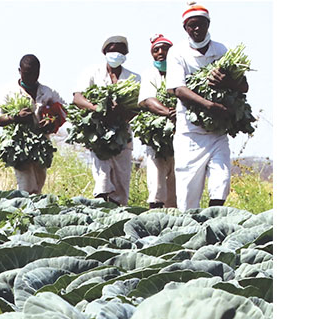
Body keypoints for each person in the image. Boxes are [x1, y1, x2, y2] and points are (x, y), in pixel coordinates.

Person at [166, 2, 249, 210]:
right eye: (191, 26)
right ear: (185, 28)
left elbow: (244, 86)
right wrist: (209, 105)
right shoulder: (177, 52)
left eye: (200, 24)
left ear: (208, 24)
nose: (196, 29)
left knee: (221, 179)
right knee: (187, 191)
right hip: (190, 132)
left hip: (217, 130)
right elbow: (178, 89)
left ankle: (214, 216)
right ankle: (190, 229)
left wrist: (227, 83)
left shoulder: (221, 50)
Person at [73, 36, 141, 206]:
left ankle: (118, 214)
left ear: (125, 54)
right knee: (102, 179)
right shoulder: (92, 73)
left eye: (120, 50)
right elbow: (77, 98)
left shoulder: (134, 78)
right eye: (112, 50)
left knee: (121, 181)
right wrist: (96, 108)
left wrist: (122, 112)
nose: (115, 54)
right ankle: (101, 210)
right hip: (98, 134)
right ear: (104, 52)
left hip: (122, 134)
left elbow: (138, 106)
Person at [0, 54, 66, 194]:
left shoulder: (47, 92)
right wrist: (15, 117)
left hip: (41, 142)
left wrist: (51, 120)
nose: (31, 77)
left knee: (39, 182)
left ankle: (33, 211)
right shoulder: (9, 91)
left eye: (34, 73)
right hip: (19, 144)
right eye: (27, 73)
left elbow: (63, 110)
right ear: (19, 71)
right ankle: (26, 210)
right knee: (26, 185)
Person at [137, 34, 177, 208]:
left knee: (177, 179)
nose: (161, 53)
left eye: (165, 49)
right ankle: (155, 214)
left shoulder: (180, 71)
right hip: (156, 135)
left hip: (180, 133)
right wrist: (169, 113)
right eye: (156, 50)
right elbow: (148, 100)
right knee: (157, 177)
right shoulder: (149, 74)